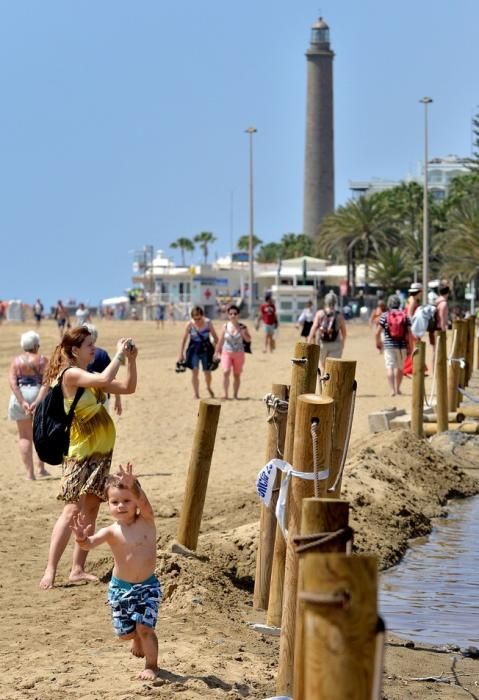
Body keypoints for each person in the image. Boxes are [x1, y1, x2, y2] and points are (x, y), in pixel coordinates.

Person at [39, 326, 138, 590]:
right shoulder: (70, 375)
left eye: (94, 344)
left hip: (101, 456)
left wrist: (132, 361)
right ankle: (50, 570)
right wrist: (118, 355)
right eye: (89, 346)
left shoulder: (91, 374)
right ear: (75, 350)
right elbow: (107, 375)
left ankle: (77, 569)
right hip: (79, 456)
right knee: (71, 510)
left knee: (92, 508)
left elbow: (128, 387)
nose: (94, 349)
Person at [71, 463, 161, 680]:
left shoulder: (147, 521)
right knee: (126, 634)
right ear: (108, 504)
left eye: (127, 500)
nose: (121, 506)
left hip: (148, 587)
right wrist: (82, 538)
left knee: (146, 628)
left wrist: (135, 488)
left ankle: (152, 665)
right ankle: (134, 636)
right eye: (115, 502)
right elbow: (88, 545)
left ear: (136, 503)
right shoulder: (110, 531)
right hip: (120, 589)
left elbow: (146, 504)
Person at [8, 330, 50, 480]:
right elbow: (46, 383)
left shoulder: (16, 361)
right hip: (39, 395)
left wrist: (22, 402)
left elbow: (13, 383)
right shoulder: (43, 360)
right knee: (40, 434)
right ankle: (41, 469)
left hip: (20, 396)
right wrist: (37, 401)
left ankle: (29, 474)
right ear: (36, 345)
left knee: (24, 437)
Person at [178, 306, 218, 399]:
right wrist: (181, 354)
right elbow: (184, 340)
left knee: (207, 372)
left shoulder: (208, 323)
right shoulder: (189, 325)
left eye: (199, 318)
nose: (197, 321)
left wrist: (217, 352)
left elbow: (216, 338)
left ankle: (208, 387)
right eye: (195, 319)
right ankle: (196, 394)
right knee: (194, 372)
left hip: (206, 349)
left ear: (202, 316)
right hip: (194, 350)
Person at [376, 294, 412, 396]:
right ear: (399, 303)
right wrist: (410, 346)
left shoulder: (384, 316)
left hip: (388, 346)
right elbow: (409, 333)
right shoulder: (405, 316)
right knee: (400, 368)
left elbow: (377, 332)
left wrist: (378, 343)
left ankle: (392, 390)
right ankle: (397, 388)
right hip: (402, 346)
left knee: (390, 367)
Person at [84, 323, 122, 415]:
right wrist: (117, 398)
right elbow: (112, 378)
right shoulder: (102, 354)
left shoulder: (78, 355)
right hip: (102, 397)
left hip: (83, 398)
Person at [214, 304, 251, 400]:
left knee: (236, 374)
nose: (233, 315)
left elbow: (248, 340)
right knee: (226, 372)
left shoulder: (243, 327)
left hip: (239, 353)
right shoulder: (225, 326)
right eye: (230, 314)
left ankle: (235, 395)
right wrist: (216, 352)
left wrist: (242, 333)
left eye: (235, 313)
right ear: (228, 315)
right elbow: (220, 340)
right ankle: (226, 395)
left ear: (238, 315)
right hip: (226, 352)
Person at [307, 291, 347, 372]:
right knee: (333, 368)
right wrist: (343, 343)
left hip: (322, 344)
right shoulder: (339, 315)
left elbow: (314, 328)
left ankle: (323, 383)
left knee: (323, 366)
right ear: (335, 302)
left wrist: (309, 340)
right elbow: (344, 332)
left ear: (325, 301)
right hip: (336, 344)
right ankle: (331, 384)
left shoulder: (320, 313)